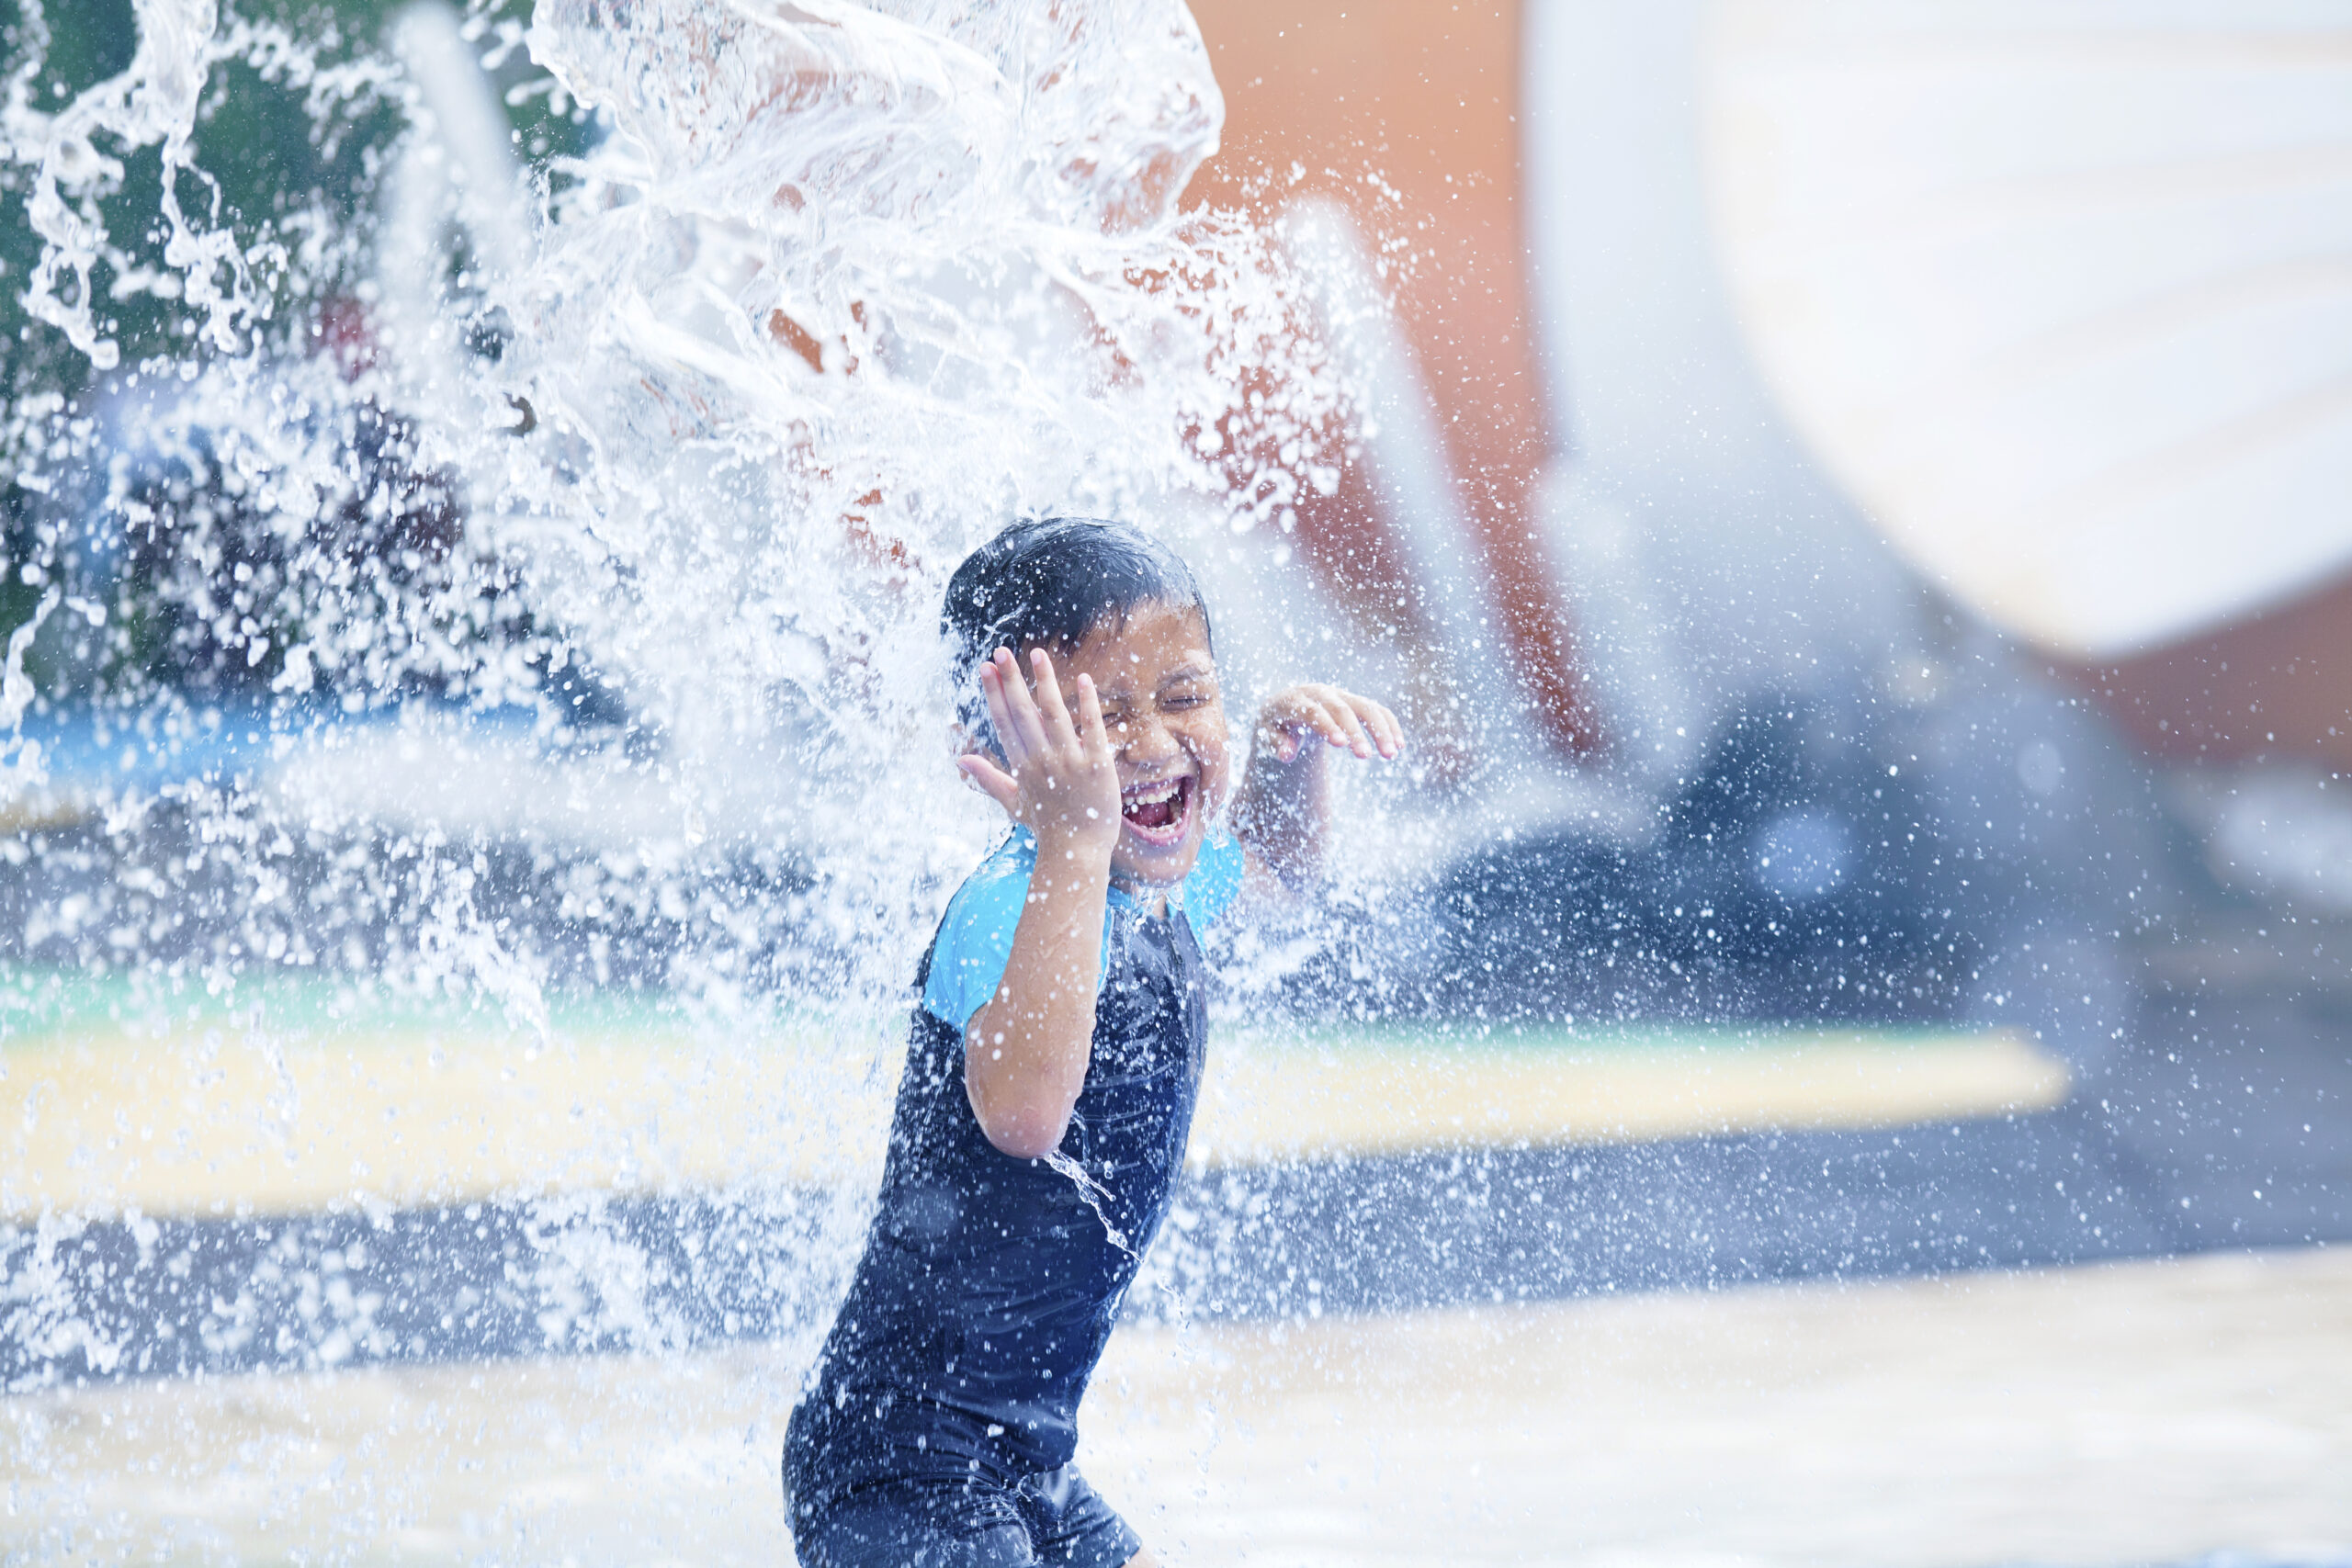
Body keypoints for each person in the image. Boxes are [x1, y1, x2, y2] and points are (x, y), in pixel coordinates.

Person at [785, 516, 1403, 1567]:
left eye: (1183, 697)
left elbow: (1283, 876)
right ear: (996, 750)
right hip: (902, 1462)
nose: (1154, 745)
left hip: (1021, 1458)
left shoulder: (1141, 893)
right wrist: (1073, 834)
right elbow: (1024, 1119)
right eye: (1095, 719)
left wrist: (1287, 761)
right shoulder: (1010, 906)